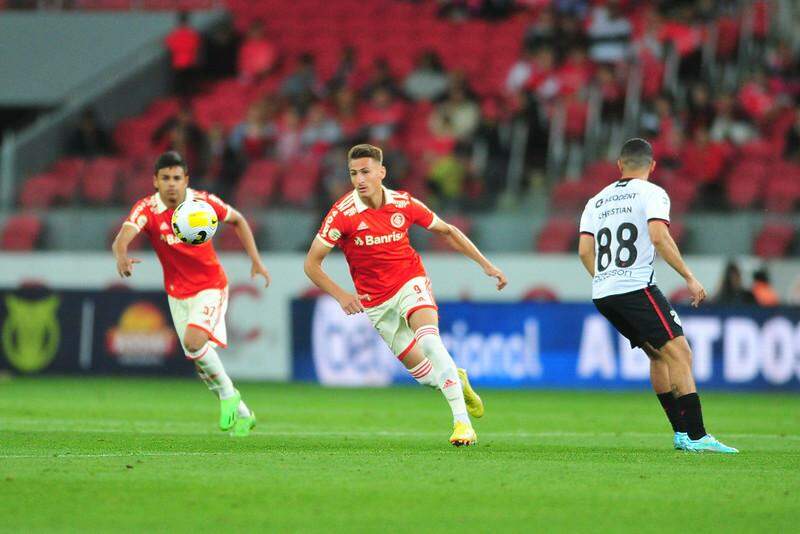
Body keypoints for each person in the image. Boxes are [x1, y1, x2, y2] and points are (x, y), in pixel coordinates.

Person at [304, 144, 507, 446]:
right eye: (353, 173)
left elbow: (448, 231)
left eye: (365, 172)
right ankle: (457, 379)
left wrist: (486, 265)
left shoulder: (404, 203)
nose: (359, 179)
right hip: (376, 303)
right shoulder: (342, 214)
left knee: (429, 341)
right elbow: (311, 263)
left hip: (409, 283)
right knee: (427, 376)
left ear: (381, 172)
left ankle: (462, 424)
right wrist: (342, 295)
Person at [578, 138, 737, 453]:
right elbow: (658, 236)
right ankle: (696, 435)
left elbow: (585, 251)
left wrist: (606, 279)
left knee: (658, 355)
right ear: (652, 166)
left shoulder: (596, 200)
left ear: (619, 165)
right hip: (635, 287)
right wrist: (690, 277)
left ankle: (681, 434)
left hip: (603, 292)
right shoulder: (652, 193)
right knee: (681, 354)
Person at [112, 151, 271, 437]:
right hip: (177, 294)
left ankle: (228, 396)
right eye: (165, 178)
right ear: (155, 181)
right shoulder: (147, 208)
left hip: (210, 285)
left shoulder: (204, 202)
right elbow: (122, 236)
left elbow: (239, 220)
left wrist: (256, 259)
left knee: (194, 341)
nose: (171, 184)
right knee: (197, 355)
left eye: (176, 178)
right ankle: (244, 413)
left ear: (186, 179)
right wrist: (121, 254)